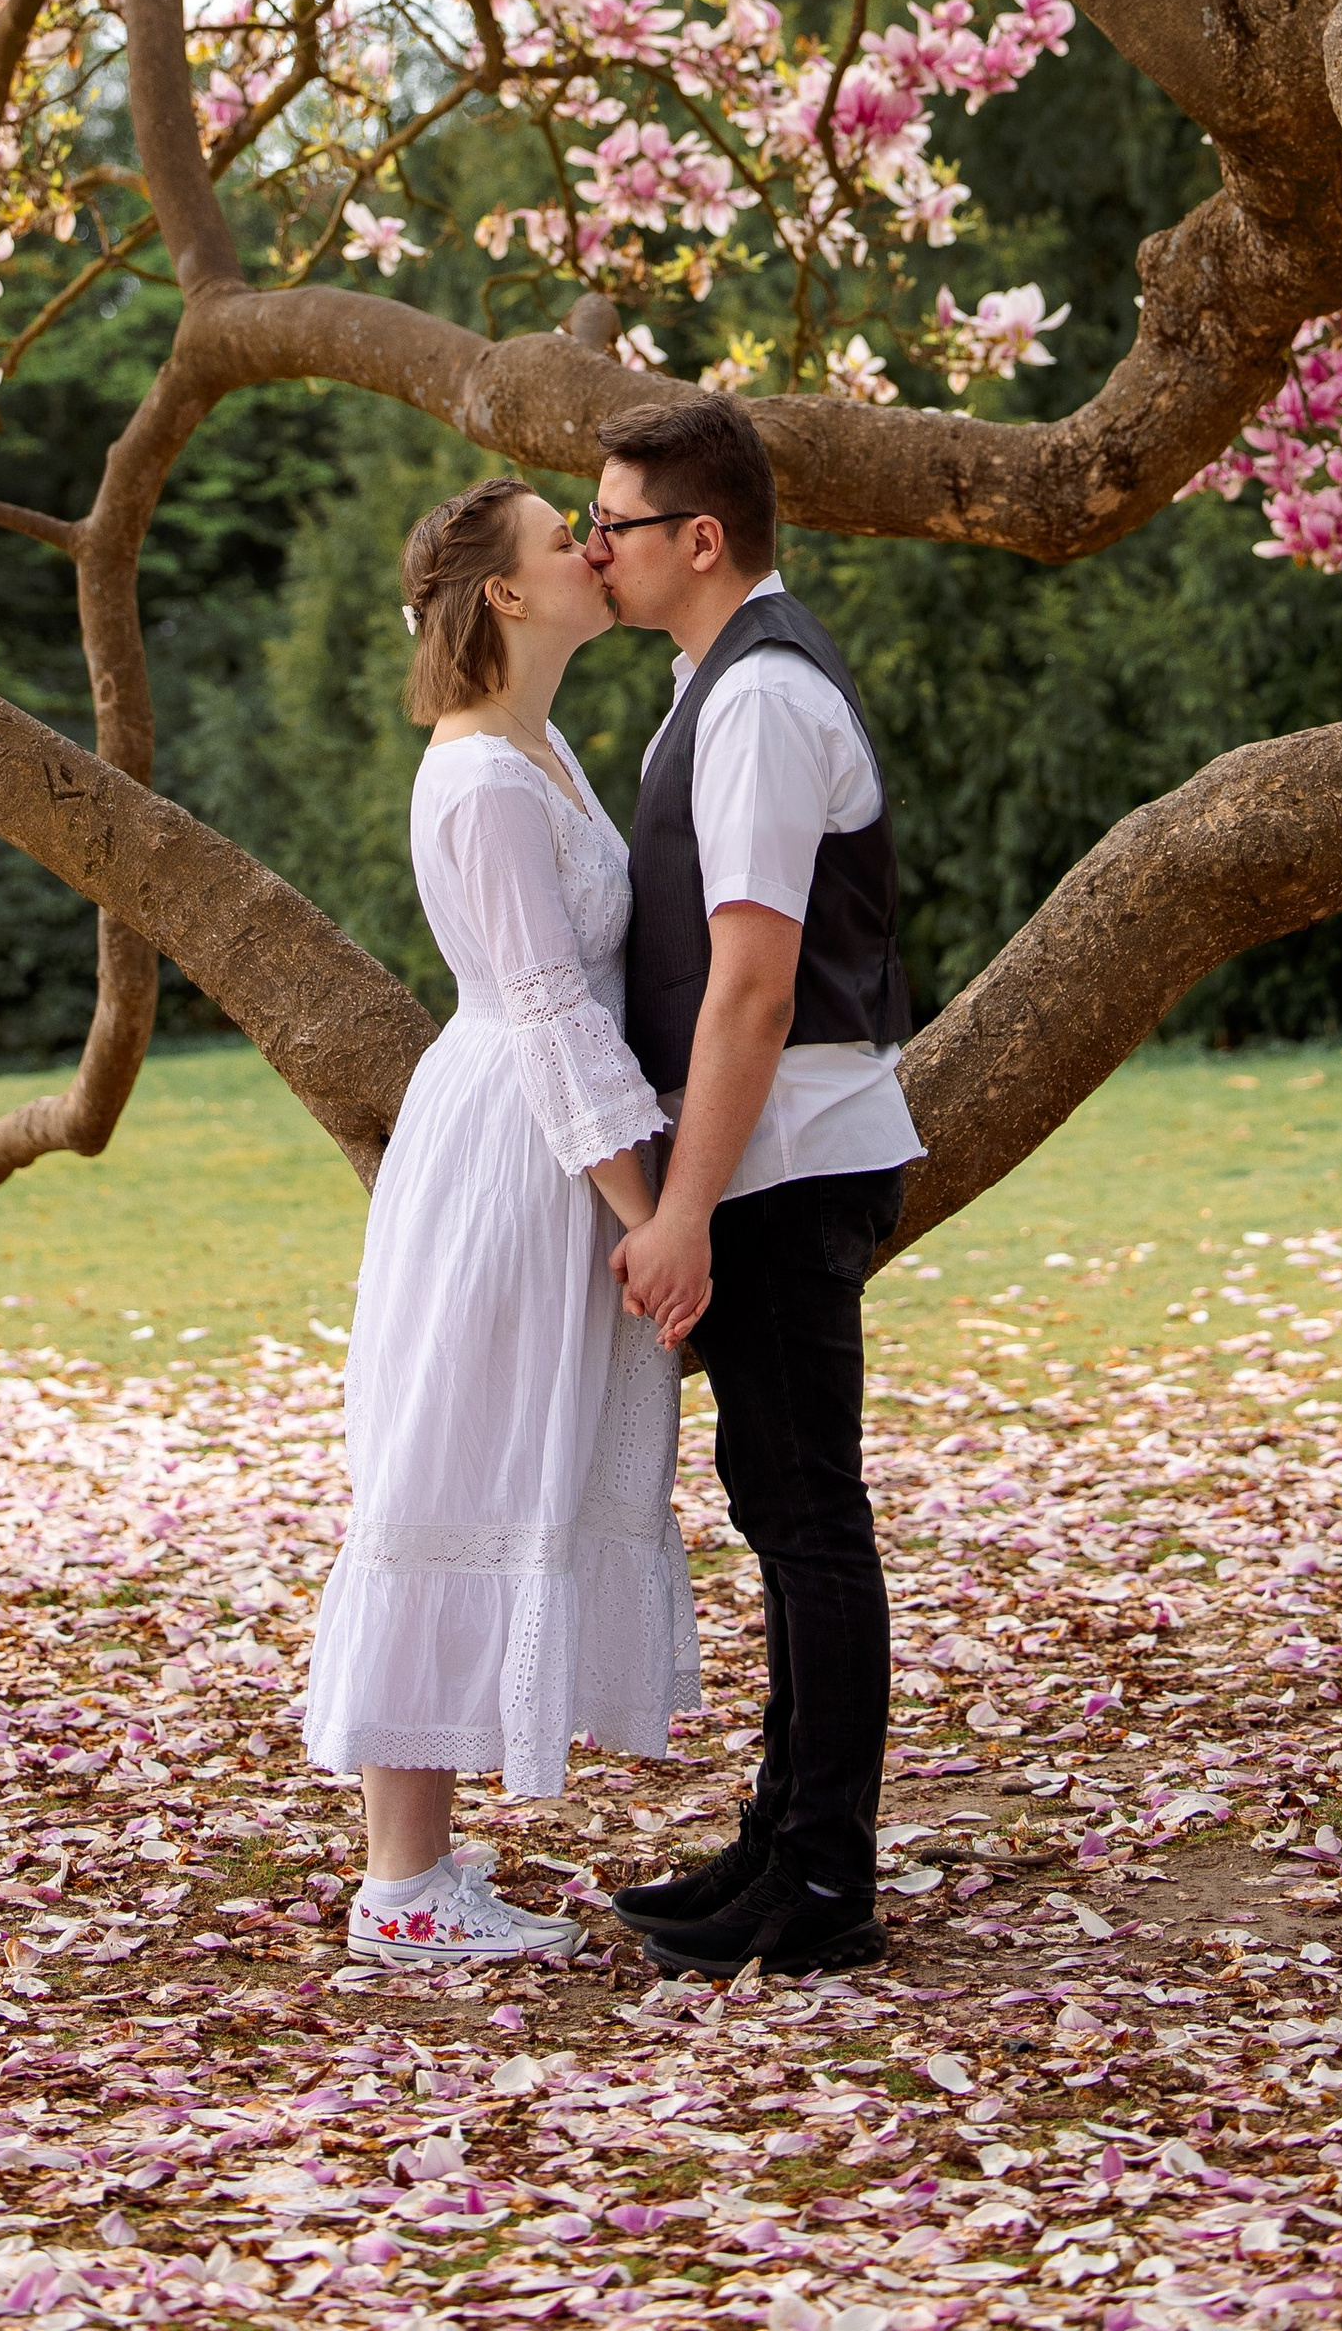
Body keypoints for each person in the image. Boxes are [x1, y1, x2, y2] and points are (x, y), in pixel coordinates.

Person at [300, 476, 700, 1969]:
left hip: (550, 1137)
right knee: (451, 1461)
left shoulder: (540, 749)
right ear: (509, 598)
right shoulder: (475, 777)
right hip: (515, 1149)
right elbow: (542, 1010)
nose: (595, 550)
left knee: (491, 1461)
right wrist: (650, 1213)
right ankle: (400, 1883)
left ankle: (427, 1865)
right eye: (563, 539)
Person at [591, 394, 921, 1981]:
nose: (596, 548)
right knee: (782, 1508)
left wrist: (677, 1212)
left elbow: (753, 991)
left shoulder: (764, 701)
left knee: (807, 1517)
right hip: (768, 1161)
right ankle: (780, 1840)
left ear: (698, 538)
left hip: (787, 1162)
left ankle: (825, 1885)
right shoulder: (709, 689)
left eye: (616, 525)